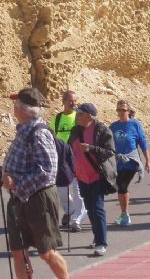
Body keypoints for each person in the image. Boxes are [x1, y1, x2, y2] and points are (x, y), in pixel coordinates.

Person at [0, 87, 69, 279]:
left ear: (24, 109)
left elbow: (47, 171)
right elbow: (26, 165)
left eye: (16, 104)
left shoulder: (38, 133)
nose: (13, 107)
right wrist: (3, 174)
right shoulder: (23, 131)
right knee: (18, 251)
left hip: (38, 198)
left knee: (46, 252)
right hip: (20, 197)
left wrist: (16, 182)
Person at [69, 103, 116, 256]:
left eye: (79, 114)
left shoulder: (102, 130)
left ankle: (102, 243)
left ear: (88, 116)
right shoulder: (75, 130)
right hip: (81, 176)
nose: (76, 116)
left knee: (98, 208)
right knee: (90, 208)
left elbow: (110, 152)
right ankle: (97, 238)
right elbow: (69, 150)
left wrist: (91, 148)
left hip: (97, 175)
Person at [109, 99, 150, 226]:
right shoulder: (113, 126)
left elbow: (142, 143)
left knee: (122, 186)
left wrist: (148, 160)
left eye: (124, 110)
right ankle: (124, 213)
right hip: (118, 161)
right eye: (119, 110)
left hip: (131, 161)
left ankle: (125, 215)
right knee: (119, 187)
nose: (121, 112)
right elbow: (107, 143)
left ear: (129, 111)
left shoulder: (134, 124)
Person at [51, 90, 87, 232]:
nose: (74, 103)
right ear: (64, 101)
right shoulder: (57, 119)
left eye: (75, 101)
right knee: (61, 191)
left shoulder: (79, 117)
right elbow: (52, 137)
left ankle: (77, 219)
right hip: (62, 159)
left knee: (78, 191)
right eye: (71, 101)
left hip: (77, 158)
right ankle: (71, 211)